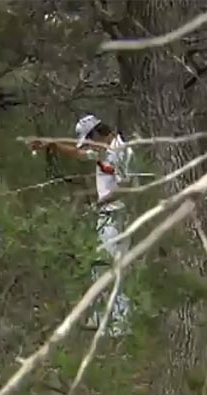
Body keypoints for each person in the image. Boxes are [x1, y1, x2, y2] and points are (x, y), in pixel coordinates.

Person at [28, 114, 134, 337]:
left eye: (88, 139)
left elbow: (126, 184)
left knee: (112, 266)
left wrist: (100, 202)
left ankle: (118, 324)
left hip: (117, 214)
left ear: (97, 133)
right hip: (107, 214)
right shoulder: (102, 149)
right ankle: (102, 318)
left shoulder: (120, 150)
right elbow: (78, 154)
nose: (87, 145)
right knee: (102, 264)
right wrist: (52, 144)